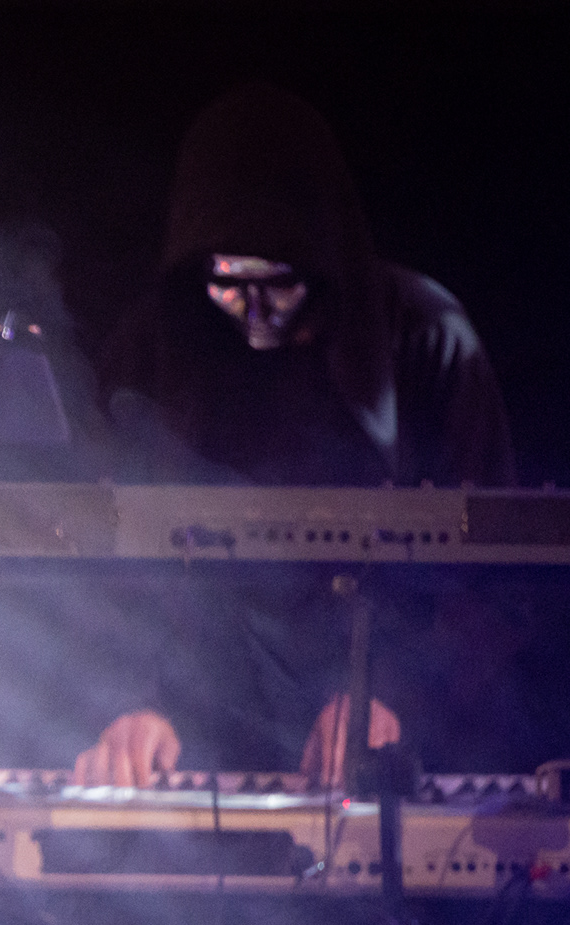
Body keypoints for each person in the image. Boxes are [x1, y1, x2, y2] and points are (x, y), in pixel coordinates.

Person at [72, 83, 517, 786]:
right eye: (228, 282)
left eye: (278, 283)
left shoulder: (426, 337)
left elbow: (493, 582)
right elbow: (105, 563)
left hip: (398, 746)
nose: (253, 310)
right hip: (206, 735)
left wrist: (396, 697)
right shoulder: (155, 346)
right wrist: (138, 700)